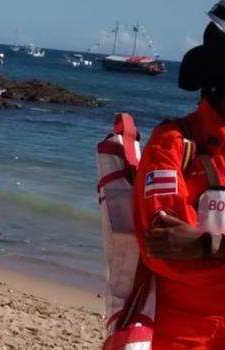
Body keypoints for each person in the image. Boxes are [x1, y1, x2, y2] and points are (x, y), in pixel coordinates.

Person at [130, 13, 225, 348]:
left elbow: (189, 247)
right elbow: (167, 250)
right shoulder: (172, 142)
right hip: (182, 335)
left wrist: (207, 245)